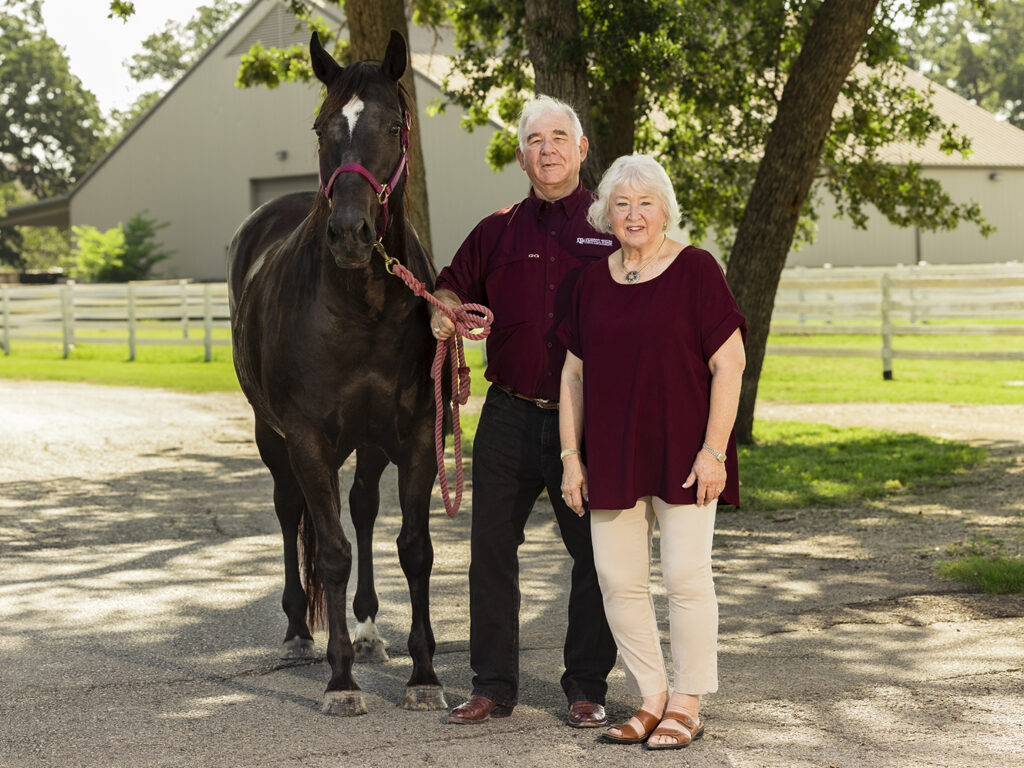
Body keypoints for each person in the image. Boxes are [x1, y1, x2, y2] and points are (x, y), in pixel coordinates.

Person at [429, 95, 619, 727]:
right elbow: (451, 282)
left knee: (595, 555)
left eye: (560, 138)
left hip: (589, 422)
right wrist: (442, 308)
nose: (548, 149)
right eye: (536, 140)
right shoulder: (497, 229)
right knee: (490, 552)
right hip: (508, 414)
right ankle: (493, 685)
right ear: (520, 155)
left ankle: (587, 686)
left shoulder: (612, 226)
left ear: (582, 149)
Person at [558, 154, 746, 750]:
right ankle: (651, 696)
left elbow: (730, 362)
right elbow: (573, 378)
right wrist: (570, 457)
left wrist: (713, 450)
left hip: (686, 452)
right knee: (618, 580)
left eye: (645, 203)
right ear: (605, 212)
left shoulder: (696, 270)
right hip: (611, 452)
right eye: (622, 203)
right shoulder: (589, 281)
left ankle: (688, 700)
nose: (634, 214)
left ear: (665, 208)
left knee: (686, 577)